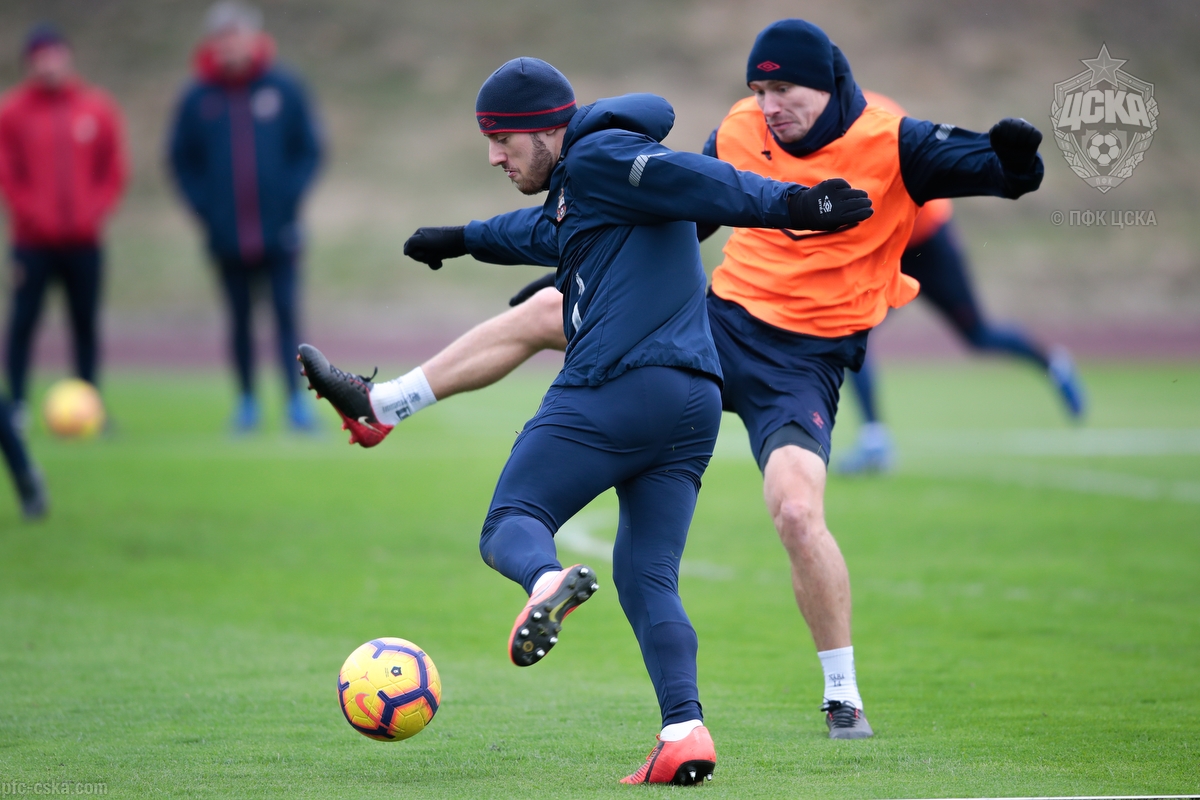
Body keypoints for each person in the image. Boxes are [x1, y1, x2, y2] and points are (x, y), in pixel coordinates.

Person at [307, 19, 1046, 744]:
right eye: (759, 90)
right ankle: (385, 404)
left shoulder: (891, 137)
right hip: (715, 326)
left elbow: (706, 185)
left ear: (828, 88)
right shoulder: (728, 130)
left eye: (784, 91)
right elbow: (675, 208)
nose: (769, 106)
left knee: (794, 512)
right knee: (549, 323)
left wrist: (1012, 166)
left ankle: (842, 696)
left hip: (800, 360)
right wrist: (550, 252)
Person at [299, 57, 871, 784]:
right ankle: (684, 731)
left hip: (617, 385)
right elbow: (541, 232)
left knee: (511, 521)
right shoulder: (587, 183)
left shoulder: (603, 156)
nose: (494, 156)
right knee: (647, 578)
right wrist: (463, 238)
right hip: (692, 404)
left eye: (503, 139)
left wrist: (799, 205)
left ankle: (544, 582)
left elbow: (705, 181)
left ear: (546, 130)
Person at [837, 91, 1086, 474]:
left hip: (927, 242)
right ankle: (875, 440)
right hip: (887, 248)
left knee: (979, 335)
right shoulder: (811, 127)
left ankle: (1054, 364)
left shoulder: (875, 114)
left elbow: (906, 168)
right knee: (853, 333)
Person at [168, 1, 322, 432]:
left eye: (237, 35)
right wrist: (207, 209)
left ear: (252, 39)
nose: (231, 45)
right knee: (238, 321)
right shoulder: (198, 97)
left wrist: (289, 200)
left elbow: (310, 149)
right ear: (214, 44)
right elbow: (181, 160)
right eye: (223, 37)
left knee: (287, 318)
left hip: (280, 231)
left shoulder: (283, 87)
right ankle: (247, 403)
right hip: (226, 235)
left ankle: (297, 403)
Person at [0, 24, 127, 428]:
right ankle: (17, 406)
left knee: (85, 324)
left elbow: (113, 169)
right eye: (40, 56)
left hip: (84, 241)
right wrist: (32, 214)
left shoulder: (95, 108)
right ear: (29, 62)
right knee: (24, 322)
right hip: (32, 242)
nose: (48, 63)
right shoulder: (13, 112)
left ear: (67, 56)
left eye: (54, 54)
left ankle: (90, 407)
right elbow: (7, 173)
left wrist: (94, 211)